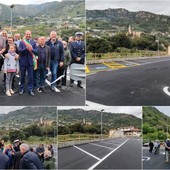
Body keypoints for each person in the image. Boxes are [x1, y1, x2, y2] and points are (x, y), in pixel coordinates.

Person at [19, 30, 38, 96]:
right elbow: (20, 51)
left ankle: (30, 89)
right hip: (23, 62)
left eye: (29, 34)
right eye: (27, 34)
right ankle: (22, 89)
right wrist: (26, 48)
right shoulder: (21, 42)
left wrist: (32, 49)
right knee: (22, 77)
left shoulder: (33, 42)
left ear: (31, 35)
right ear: (25, 34)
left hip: (30, 62)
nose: (28, 35)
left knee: (31, 77)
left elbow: (36, 51)